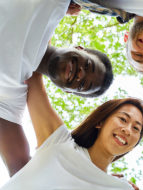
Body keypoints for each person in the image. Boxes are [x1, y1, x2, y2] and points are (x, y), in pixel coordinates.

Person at [0, 72, 143, 190]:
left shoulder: (118, 189)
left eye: (136, 129)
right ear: (100, 122)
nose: (128, 129)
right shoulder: (59, 143)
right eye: (123, 119)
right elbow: (34, 77)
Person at [0, 0, 113, 176]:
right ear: (79, 48)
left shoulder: (12, 97)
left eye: (82, 85)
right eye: (88, 64)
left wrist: (97, 182)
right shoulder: (53, 6)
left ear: (69, 91)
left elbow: (21, 170)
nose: (80, 74)